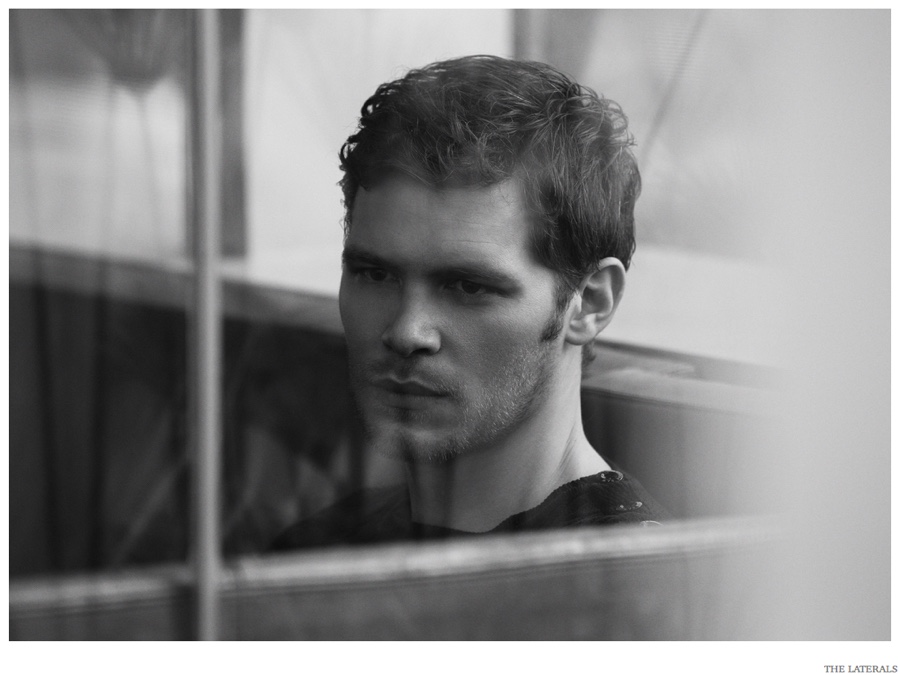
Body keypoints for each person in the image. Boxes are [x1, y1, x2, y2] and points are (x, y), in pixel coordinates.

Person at [272, 54, 666, 551]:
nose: (407, 331)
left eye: (467, 287)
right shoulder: (316, 553)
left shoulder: (632, 580)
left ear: (589, 303)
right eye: (375, 274)